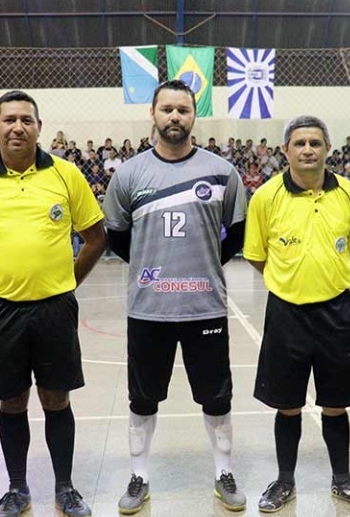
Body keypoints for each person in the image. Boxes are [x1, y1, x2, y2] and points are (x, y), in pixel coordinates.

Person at [0, 90, 105, 517]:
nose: (18, 127)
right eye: (9, 119)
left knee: (56, 398)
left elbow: (96, 237)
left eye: (26, 119)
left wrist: (68, 280)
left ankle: (66, 488)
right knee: (11, 400)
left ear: (38, 126)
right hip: (0, 309)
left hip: (55, 308)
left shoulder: (66, 174)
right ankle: (17, 489)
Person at [102, 80, 249, 514]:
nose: (174, 117)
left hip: (205, 306)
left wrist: (199, 266)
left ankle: (223, 471)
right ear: (152, 113)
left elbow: (235, 235)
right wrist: (155, 269)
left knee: (216, 396)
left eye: (182, 110)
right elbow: (116, 236)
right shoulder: (128, 174)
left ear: (193, 115)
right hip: (149, 309)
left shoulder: (222, 172)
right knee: (142, 399)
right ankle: (139, 475)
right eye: (166, 109)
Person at [243, 115, 350, 513]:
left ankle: (341, 479)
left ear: (327, 149)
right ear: (285, 150)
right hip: (286, 314)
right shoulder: (266, 197)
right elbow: (256, 256)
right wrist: (290, 281)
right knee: (288, 404)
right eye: (299, 143)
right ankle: (285, 480)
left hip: (336, 313)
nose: (307, 150)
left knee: (336, 402)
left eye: (315, 143)